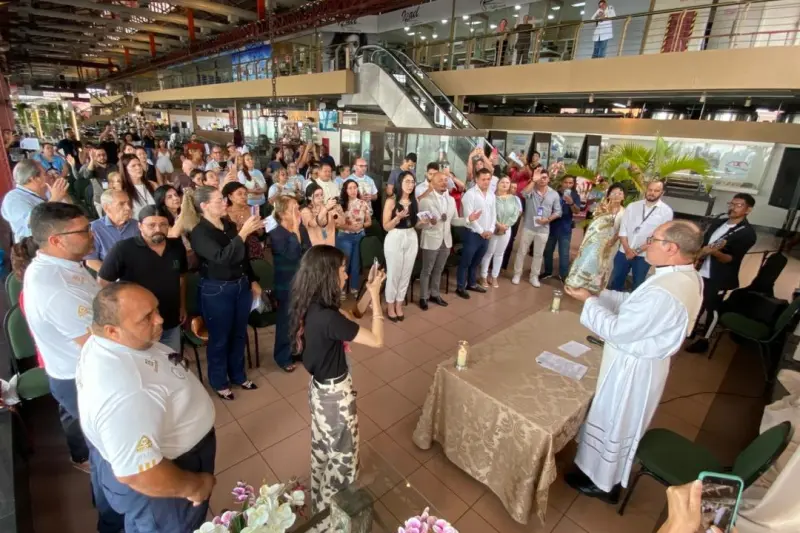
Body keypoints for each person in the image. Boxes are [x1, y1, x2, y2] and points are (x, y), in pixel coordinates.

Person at [563, 220, 704, 503]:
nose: (646, 243)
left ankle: (604, 483)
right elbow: (634, 306)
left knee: (615, 419)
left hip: (633, 369)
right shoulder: (684, 277)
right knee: (614, 419)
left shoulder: (665, 290)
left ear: (671, 248)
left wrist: (587, 301)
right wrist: (599, 294)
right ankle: (595, 472)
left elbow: (618, 330)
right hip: (642, 363)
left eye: (653, 238)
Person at [76, 283, 215, 533]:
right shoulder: (125, 391)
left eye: (156, 309)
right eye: (147, 318)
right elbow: (139, 474)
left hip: (155, 454)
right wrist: (195, 486)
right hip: (166, 488)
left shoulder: (106, 342)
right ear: (112, 331)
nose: (160, 319)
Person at [23, 202, 125, 531]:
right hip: (81, 381)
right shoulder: (54, 287)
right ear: (56, 239)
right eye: (83, 231)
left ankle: (106, 503)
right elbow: (100, 343)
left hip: (85, 373)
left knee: (102, 451)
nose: (91, 234)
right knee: (112, 454)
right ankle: (113, 521)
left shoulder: (67, 263)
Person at [288, 245, 386, 513]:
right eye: (342, 270)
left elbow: (353, 315)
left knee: (322, 451)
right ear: (328, 274)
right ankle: (334, 517)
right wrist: (377, 299)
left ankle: (320, 507)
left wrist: (369, 290)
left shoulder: (315, 304)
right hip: (335, 399)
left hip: (320, 392)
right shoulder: (327, 317)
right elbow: (376, 340)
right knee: (343, 463)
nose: (346, 276)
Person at [188, 186, 261, 400]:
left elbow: (241, 256)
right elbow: (221, 257)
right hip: (217, 290)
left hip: (240, 285)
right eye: (219, 200)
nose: (225, 204)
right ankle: (219, 381)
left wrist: (253, 279)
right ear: (204, 206)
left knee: (239, 333)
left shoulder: (228, 225)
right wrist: (244, 233)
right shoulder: (199, 233)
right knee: (220, 338)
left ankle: (238, 375)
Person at [98, 206, 188, 352]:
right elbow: (104, 283)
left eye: (163, 224)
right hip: (139, 324)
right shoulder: (123, 249)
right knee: (147, 366)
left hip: (171, 318)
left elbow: (182, 277)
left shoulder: (176, 246)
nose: (158, 228)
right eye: (151, 225)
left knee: (172, 362)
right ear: (140, 226)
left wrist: (182, 306)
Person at [686, 193, 757, 354]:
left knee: (712, 307)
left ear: (748, 210)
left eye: (738, 205)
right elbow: (704, 243)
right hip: (701, 270)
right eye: (731, 204)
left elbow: (731, 259)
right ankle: (691, 330)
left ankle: (704, 339)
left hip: (719, 276)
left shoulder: (747, 233)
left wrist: (715, 252)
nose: (732, 208)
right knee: (698, 302)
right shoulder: (719, 222)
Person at [418, 172, 480, 310]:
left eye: (446, 180)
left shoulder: (451, 200)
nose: (444, 182)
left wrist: (468, 219)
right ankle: (423, 297)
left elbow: (454, 221)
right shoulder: (425, 200)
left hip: (446, 240)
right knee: (427, 270)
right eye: (440, 180)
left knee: (439, 269)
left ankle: (435, 293)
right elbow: (421, 224)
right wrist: (430, 223)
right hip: (431, 240)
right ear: (432, 183)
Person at [609, 180, 674, 292]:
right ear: (646, 190)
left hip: (644, 255)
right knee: (616, 280)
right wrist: (627, 249)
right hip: (623, 251)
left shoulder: (666, 212)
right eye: (650, 190)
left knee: (637, 284)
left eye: (656, 191)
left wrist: (636, 251)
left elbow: (656, 236)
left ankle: (631, 307)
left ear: (662, 193)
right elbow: (623, 229)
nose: (652, 193)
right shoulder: (633, 206)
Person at [271, 196, 311, 373]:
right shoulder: (276, 233)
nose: (298, 212)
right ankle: (283, 356)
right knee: (286, 321)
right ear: (281, 213)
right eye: (293, 209)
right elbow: (293, 254)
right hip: (285, 283)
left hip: (302, 280)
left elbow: (307, 251)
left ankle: (299, 350)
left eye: (297, 208)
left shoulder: (301, 229)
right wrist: (295, 229)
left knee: (303, 319)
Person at [565, 183, 626, 293]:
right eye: (614, 193)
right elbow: (594, 224)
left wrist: (612, 241)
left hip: (610, 244)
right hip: (594, 240)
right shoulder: (602, 208)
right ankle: (578, 282)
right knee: (587, 259)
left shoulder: (624, 213)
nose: (617, 195)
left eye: (620, 193)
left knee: (603, 265)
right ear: (608, 195)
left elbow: (622, 230)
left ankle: (595, 287)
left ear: (623, 196)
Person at [383, 171, 427, 321]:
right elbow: (386, 226)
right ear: (400, 183)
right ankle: (390, 306)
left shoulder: (415, 201)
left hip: (411, 237)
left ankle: (399, 304)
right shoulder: (391, 201)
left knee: (406, 273)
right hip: (395, 237)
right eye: (407, 181)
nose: (410, 185)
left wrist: (424, 222)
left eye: (412, 182)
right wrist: (397, 218)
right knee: (394, 274)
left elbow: (416, 224)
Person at [513, 167, 562, 287]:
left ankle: (534, 276)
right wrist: (533, 181)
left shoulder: (554, 194)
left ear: (549, 179)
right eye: (540, 177)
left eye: (544, 177)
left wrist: (548, 219)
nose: (542, 180)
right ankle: (517, 274)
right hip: (529, 227)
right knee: (522, 251)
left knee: (539, 254)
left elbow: (558, 211)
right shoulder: (532, 189)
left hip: (544, 229)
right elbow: (523, 193)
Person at [2, 159, 69, 242]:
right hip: (35, 245)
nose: (49, 175)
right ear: (34, 179)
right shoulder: (13, 198)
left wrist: (63, 194)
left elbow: (71, 211)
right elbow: (33, 222)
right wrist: (54, 200)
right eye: (45, 174)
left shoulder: (47, 190)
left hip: (59, 236)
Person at [457, 168, 496, 299]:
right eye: (483, 179)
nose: (486, 182)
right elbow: (469, 216)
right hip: (473, 234)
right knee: (466, 262)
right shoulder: (470, 194)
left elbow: (493, 214)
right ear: (477, 180)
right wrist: (481, 231)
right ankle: (460, 286)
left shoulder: (491, 194)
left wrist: (490, 229)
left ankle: (472, 284)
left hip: (487, 234)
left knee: (476, 262)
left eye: (488, 179)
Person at [479, 176, 521, 288]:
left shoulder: (514, 198)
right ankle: (483, 276)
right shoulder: (492, 197)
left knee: (500, 253)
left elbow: (515, 214)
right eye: (502, 182)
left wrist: (506, 225)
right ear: (497, 184)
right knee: (489, 253)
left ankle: (494, 277)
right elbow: (489, 213)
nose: (505, 184)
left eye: (507, 182)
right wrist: (498, 224)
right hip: (493, 228)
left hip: (507, 229)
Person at [84, 190, 139, 273]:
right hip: (110, 276)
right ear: (106, 207)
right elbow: (91, 261)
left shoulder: (136, 225)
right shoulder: (94, 228)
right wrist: (114, 276)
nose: (128, 207)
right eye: (121, 204)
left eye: (128, 203)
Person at [541, 175, 583, 282]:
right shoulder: (553, 194)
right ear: (561, 182)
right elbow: (544, 206)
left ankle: (563, 275)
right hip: (551, 226)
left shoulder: (575, 195)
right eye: (566, 182)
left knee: (564, 252)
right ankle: (547, 271)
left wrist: (571, 202)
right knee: (548, 251)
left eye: (570, 183)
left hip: (565, 228)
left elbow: (577, 211)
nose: (568, 185)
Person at [336, 179, 372, 298]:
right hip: (345, 236)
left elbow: (369, 222)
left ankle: (354, 287)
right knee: (344, 264)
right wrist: (349, 227)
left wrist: (361, 225)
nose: (353, 191)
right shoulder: (340, 205)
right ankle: (341, 288)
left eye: (355, 188)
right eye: (350, 188)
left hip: (359, 236)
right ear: (345, 190)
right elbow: (337, 224)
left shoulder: (363, 203)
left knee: (356, 264)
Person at [222, 181, 265, 260]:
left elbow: (261, 234)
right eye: (239, 194)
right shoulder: (224, 214)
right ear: (230, 197)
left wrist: (258, 228)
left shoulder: (253, 209)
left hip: (253, 249)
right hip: (234, 250)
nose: (244, 196)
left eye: (245, 194)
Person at [301, 182, 343, 247]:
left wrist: (340, 212)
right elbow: (313, 223)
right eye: (317, 195)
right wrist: (326, 209)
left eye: (321, 194)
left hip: (331, 245)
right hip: (316, 248)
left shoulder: (327, 207)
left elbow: (341, 223)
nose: (320, 197)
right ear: (309, 197)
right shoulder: (305, 210)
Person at [120, 153, 156, 218]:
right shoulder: (123, 191)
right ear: (125, 170)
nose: (138, 168)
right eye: (133, 166)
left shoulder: (152, 185)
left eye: (139, 164)